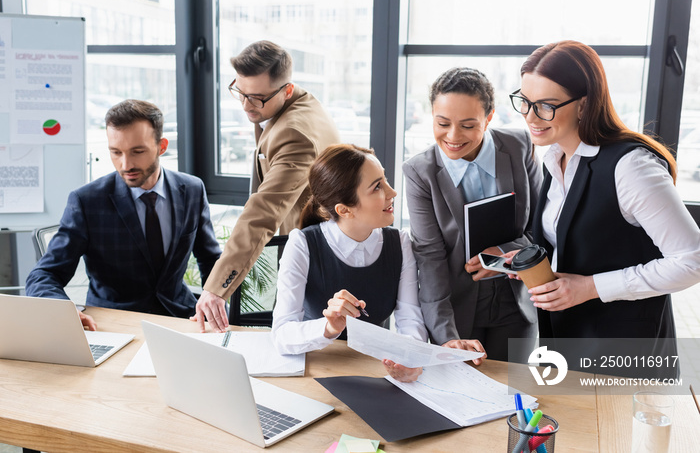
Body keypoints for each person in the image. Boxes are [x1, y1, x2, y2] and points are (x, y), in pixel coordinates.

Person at [509, 40, 700, 342]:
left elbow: (692, 261)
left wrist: (590, 287)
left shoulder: (631, 166)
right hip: (568, 342)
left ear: (584, 103)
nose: (530, 117)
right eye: (525, 101)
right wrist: (523, 260)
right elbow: (581, 242)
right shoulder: (555, 156)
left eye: (546, 105)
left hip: (624, 349)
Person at [271, 144, 485, 382]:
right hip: (315, 369)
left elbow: (409, 318)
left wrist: (411, 359)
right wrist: (329, 328)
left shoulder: (400, 242)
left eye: (385, 180)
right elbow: (281, 335)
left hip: (370, 369)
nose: (392, 192)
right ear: (344, 209)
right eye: (377, 187)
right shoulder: (302, 243)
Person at [25, 99, 222, 330]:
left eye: (137, 151)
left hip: (179, 318)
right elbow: (44, 274)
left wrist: (216, 298)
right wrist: (63, 312)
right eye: (116, 152)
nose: (126, 164)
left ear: (162, 146)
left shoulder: (192, 189)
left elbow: (210, 258)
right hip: (111, 324)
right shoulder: (87, 201)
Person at [195, 40, 341, 332]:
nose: (247, 105)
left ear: (286, 89)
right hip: (311, 248)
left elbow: (263, 210)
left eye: (257, 98)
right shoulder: (286, 103)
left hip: (320, 263)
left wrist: (215, 288)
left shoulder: (295, 133)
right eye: (241, 92)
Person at [403, 67, 542, 362]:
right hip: (456, 310)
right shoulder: (419, 172)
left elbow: (541, 229)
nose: (453, 136)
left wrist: (505, 255)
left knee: (514, 394)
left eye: (468, 125)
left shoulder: (520, 147)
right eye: (442, 123)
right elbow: (430, 258)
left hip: (516, 303)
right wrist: (447, 336)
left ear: (489, 118)